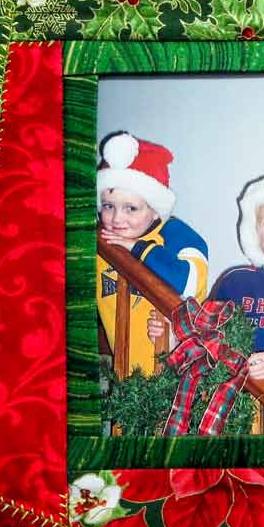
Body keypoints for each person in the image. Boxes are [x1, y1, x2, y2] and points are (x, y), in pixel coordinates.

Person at [148, 175, 264, 433]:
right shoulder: (236, 281)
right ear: (255, 230)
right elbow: (206, 335)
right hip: (229, 418)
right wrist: (173, 337)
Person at [97, 131, 208, 376]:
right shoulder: (101, 242)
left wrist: (136, 248)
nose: (117, 218)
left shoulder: (176, 234)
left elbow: (189, 281)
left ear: (155, 210)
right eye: (108, 206)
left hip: (178, 372)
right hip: (126, 373)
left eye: (131, 208)